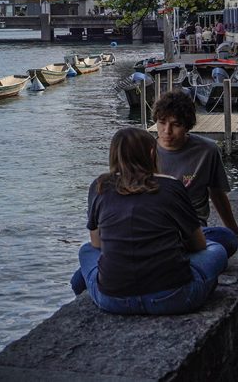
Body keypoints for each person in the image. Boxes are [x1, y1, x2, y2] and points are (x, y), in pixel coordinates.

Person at [71, 127, 229, 314]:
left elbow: (97, 243)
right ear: (152, 152)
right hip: (174, 297)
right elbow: (199, 244)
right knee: (218, 248)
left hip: (112, 300)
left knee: (86, 250)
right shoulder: (171, 185)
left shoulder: (99, 186)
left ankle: (97, 280)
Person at [153, 91, 238, 256]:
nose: (167, 131)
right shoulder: (145, 150)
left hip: (193, 229)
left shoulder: (207, 151)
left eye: (175, 125)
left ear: (187, 125)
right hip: (156, 226)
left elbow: (218, 194)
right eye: (162, 123)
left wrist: (237, 234)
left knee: (227, 239)